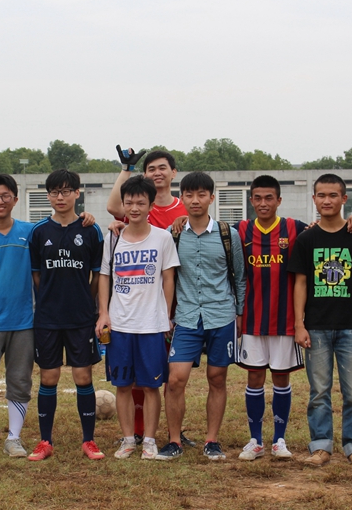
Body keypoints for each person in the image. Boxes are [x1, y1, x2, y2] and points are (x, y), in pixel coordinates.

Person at [0, 174, 96, 463]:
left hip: (27, 322)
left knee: (19, 382)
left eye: (6, 196)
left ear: (15, 200)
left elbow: (60, 229)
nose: (0, 201)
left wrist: (85, 217)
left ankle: (14, 439)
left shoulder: (32, 232)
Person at [236, 176, 352, 461]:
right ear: (251, 200)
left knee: (281, 377)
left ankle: (279, 440)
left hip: (286, 320)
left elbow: (329, 229)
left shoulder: (295, 228)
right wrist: (180, 221)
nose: (263, 203)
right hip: (253, 319)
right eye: (258, 198)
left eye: (269, 198)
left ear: (279, 200)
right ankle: (255, 440)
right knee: (254, 377)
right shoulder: (241, 230)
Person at [288, 174, 352, 469]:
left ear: (344, 199)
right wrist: (299, 324)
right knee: (319, 392)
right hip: (316, 327)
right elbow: (301, 283)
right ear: (314, 199)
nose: (327, 201)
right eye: (321, 195)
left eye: (333, 195)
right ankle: (320, 446)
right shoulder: (306, 239)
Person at [107, 147, 194, 448]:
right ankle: (135, 433)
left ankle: (169, 433)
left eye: (162, 167)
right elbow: (114, 205)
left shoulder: (186, 207)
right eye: (151, 168)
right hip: (133, 310)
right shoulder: (137, 206)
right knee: (133, 377)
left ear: (173, 172)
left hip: (169, 307)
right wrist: (126, 168)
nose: (157, 173)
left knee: (168, 378)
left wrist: (168, 313)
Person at [156, 171, 246, 461]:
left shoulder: (228, 234)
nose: (195, 200)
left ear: (211, 197)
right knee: (175, 379)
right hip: (186, 317)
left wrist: (240, 314)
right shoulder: (173, 234)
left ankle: (212, 440)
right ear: (181, 198)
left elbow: (239, 277)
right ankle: (174, 440)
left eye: (201, 195)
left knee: (217, 378)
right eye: (189, 195)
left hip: (221, 315)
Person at [95, 176, 179, 460]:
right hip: (120, 324)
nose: (134, 208)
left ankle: (150, 441)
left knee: (152, 386)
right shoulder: (113, 237)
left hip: (151, 325)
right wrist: (104, 313)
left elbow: (168, 278)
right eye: (129, 202)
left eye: (140, 203)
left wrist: (166, 315)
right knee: (123, 386)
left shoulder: (163, 238)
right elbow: (104, 276)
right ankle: (129, 439)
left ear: (150, 205)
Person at [26, 169, 105, 461]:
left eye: (66, 191)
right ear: (48, 196)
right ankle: (45, 441)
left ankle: (89, 441)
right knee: (49, 378)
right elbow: (36, 275)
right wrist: (50, 297)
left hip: (80, 317)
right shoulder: (38, 232)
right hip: (47, 317)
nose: (60, 197)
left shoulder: (91, 230)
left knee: (83, 376)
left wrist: (86, 300)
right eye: (54, 192)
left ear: (77, 193)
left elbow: (97, 275)